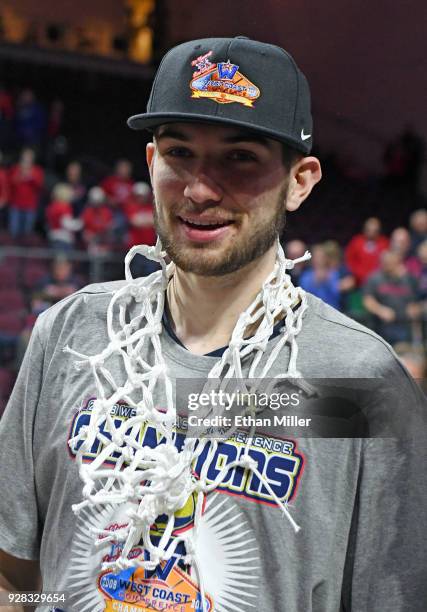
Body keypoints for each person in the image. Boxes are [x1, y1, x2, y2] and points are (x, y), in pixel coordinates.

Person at [0, 36, 426, 612]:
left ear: (300, 181)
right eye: (179, 153)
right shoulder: (71, 336)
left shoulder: (360, 381)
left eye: (240, 157)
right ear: (151, 163)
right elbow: (17, 575)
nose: (199, 190)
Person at [345, 217, 389, 286]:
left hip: (378, 280)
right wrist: (357, 275)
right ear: (364, 229)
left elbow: (386, 262)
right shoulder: (356, 241)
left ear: (379, 231)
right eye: (369, 230)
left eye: (375, 231)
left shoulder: (384, 243)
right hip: (357, 279)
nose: (371, 233)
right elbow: (349, 260)